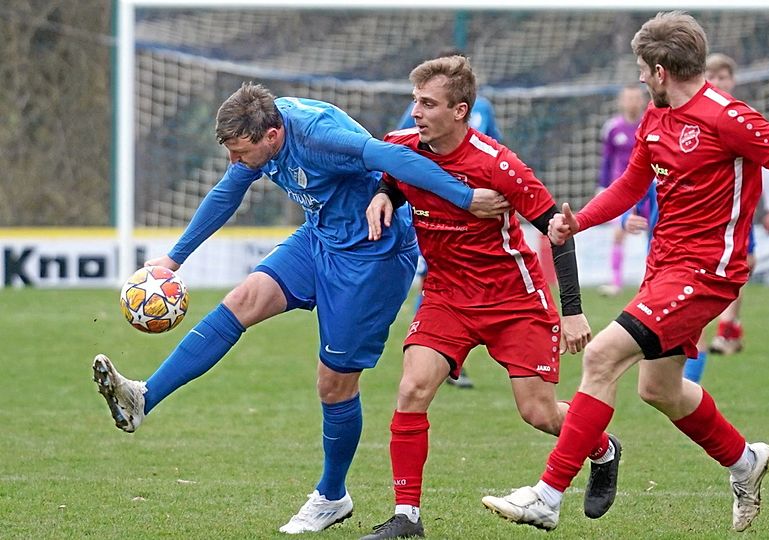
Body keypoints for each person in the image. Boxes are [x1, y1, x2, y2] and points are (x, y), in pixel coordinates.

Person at [91, 82, 510, 534]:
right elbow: (228, 192)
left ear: (272, 137)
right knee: (242, 300)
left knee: (334, 384)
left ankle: (332, 496)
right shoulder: (261, 134)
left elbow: (392, 156)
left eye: (240, 152)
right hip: (320, 237)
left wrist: (465, 197)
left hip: (372, 256)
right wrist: (174, 259)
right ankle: (143, 398)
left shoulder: (318, 136)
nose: (234, 160)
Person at [481, 11, 769, 533]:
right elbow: (631, 184)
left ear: (661, 71)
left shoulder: (728, 117)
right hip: (665, 267)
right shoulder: (655, 116)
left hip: (707, 272)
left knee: (601, 356)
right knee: (660, 389)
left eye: (643, 70)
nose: (641, 79)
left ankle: (547, 496)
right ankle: (745, 462)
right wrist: (581, 221)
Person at [359, 54, 621, 540]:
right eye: (415, 101)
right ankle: (407, 516)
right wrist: (383, 195)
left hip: (513, 300)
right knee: (412, 389)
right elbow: (393, 177)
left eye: (428, 103)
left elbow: (557, 231)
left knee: (538, 412)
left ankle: (603, 450)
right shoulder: (401, 145)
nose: (416, 112)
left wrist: (573, 312)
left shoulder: (499, 164)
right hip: (446, 296)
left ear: (460, 111)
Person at [396, 49, 503, 390]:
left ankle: (449, 356)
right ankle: (437, 356)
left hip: (476, 214)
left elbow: (494, 145)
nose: (419, 111)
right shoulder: (418, 112)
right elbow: (400, 153)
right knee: (434, 280)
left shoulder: (484, 109)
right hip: (436, 211)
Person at [704, 52, 769, 358]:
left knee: (741, 264)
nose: (717, 82)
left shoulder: (742, 115)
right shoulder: (694, 114)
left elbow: (766, 162)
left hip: (737, 209)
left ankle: (726, 329)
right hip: (705, 210)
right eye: (711, 76)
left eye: (722, 77)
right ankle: (729, 328)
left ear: (733, 80)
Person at [597, 83, 648, 297]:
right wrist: (602, 187)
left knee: (654, 233)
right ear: (621, 102)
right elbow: (607, 160)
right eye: (628, 98)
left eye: (636, 98)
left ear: (642, 101)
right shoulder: (612, 128)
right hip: (622, 190)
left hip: (648, 190)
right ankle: (616, 282)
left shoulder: (649, 124)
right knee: (619, 233)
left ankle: (651, 280)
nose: (632, 102)